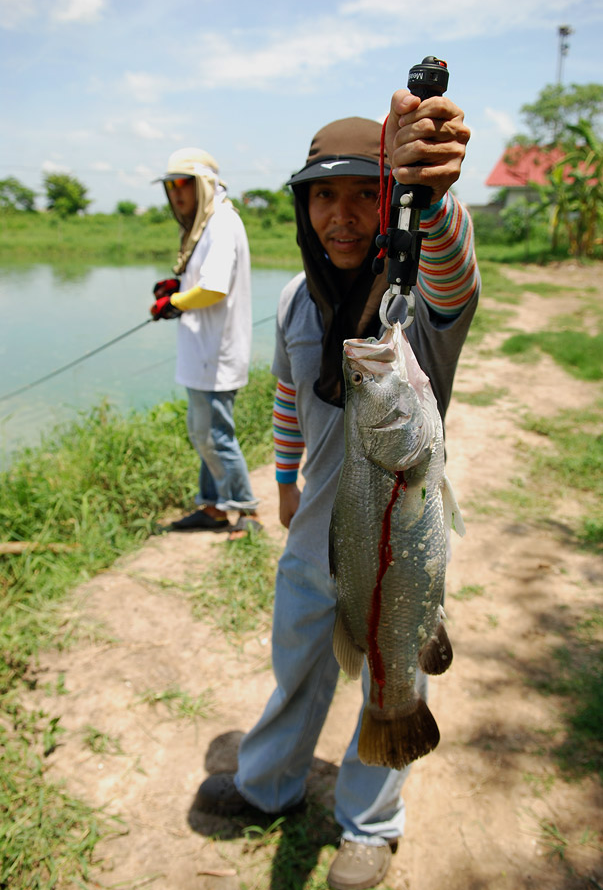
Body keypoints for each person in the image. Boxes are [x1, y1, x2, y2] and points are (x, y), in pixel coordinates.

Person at [196, 87, 479, 890]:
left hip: (397, 546)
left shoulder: (415, 304)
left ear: (388, 201)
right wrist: (284, 480)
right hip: (313, 540)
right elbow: (288, 397)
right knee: (297, 669)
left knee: (394, 671)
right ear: (303, 205)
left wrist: (434, 197)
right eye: (325, 194)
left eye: (365, 193)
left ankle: (370, 824)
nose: (343, 214)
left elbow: (455, 286)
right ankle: (266, 786)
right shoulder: (293, 298)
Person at [150, 148, 261, 537]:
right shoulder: (206, 224)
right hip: (202, 352)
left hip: (216, 352)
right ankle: (213, 508)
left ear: (204, 185)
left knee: (214, 435)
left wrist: (174, 302)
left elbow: (213, 287)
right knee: (204, 432)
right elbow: (201, 278)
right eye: (170, 186)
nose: (176, 193)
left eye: (183, 184)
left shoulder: (223, 224)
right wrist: (177, 288)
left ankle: (247, 511)